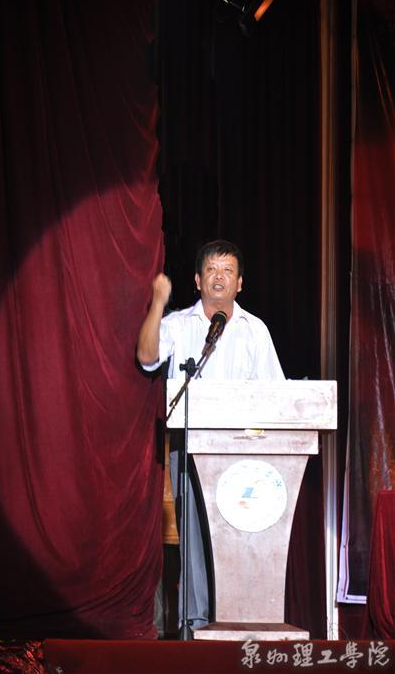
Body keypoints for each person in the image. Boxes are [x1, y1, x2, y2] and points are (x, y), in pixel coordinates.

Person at [137, 239, 285, 632]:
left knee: (241, 538)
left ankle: (239, 620)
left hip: (244, 453)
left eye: (228, 271)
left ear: (240, 283)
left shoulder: (255, 330)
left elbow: (276, 393)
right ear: (198, 280)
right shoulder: (178, 324)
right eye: (212, 270)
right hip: (190, 446)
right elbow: (147, 357)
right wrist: (157, 303)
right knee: (195, 541)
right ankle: (196, 626)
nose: (220, 277)